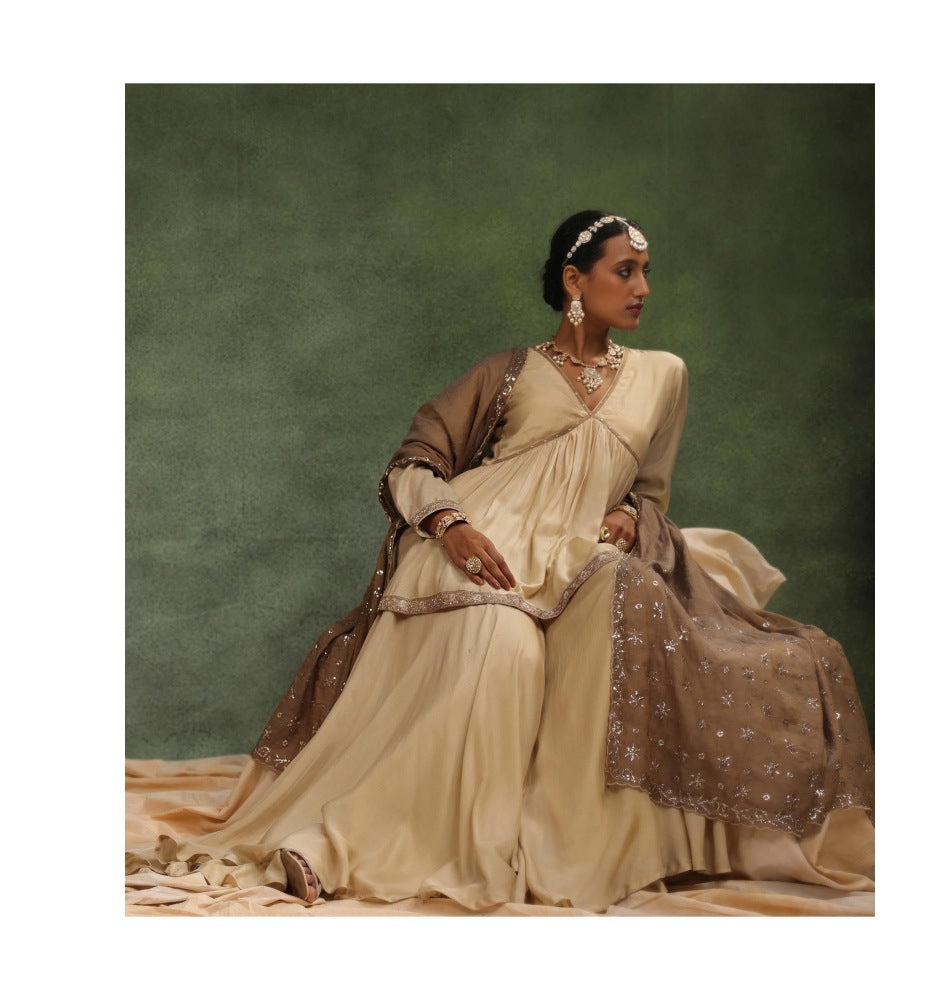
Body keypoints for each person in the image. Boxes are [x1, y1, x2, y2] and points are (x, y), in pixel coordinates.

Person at [126, 210, 874, 912]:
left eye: (646, 272)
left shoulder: (664, 376)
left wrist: (629, 515)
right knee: (503, 657)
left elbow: (651, 491)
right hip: (480, 556)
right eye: (625, 271)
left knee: (631, 597)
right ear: (575, 280)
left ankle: (580, 849)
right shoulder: (509, 370)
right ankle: (333, 844)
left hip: (574, 561)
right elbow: (412, 463)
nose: (643, 288)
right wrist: (449, 526)